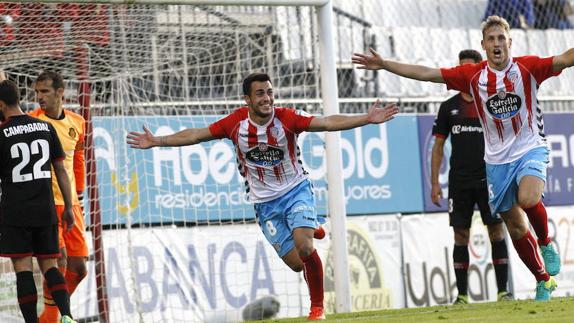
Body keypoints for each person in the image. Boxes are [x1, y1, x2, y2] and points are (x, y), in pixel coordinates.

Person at [126, 72, 399, 320]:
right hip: (264, 205)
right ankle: (309, 224)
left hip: (295, 190)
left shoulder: (287, 118)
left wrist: (365, 118)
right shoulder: (235, 124)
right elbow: (197, 135)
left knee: (305, 248)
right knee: (295, 264)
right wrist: (158, 141)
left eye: (270, 92)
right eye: (260, 93)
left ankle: (317, 308)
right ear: (247, 99)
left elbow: (326, 122)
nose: (267, 98)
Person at [353, 15, 574, 301]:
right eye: (491, 39)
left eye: (501, 38)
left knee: (530, 198)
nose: (496, 44)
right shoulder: (473, 76)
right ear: (483, 45)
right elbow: (426, 73)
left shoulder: (528, 68)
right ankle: (543, 280)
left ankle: (546, 243)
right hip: (496, 162)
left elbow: (566, 58)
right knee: (515, 224)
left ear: (510, 42)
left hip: (529, 147)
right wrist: (385, 64)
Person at [431, 49, 512, 304]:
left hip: (490, 179)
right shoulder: (448, 108)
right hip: (460, 182)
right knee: (460, 236)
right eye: (460, 68)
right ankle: (462, 296)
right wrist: (434, 182)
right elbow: (437, 147)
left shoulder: (492, 103)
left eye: (469, 68)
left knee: (497, 232)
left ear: (479, 69)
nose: (464, 73)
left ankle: (503, 292)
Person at [0, 79, 76, 323]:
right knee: (51, 267)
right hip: (46, 209)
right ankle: (67, 316)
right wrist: (69, 206)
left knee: (23, 271)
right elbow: (61, 170)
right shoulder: (45, 127)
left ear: (1, 105)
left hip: (16, 212)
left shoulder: (1, 133)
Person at [29, 71, 88, 323]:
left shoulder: (78, 122)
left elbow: (78, 157)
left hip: (72, 203)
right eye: (36, 92)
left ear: (60, 92)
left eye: (44, 92)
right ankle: (55, 317)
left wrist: (80, 191)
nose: (39, 97)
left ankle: (49, 315)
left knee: (79, 268)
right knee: (58, 261)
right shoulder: (31, 122)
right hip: (46, 203)